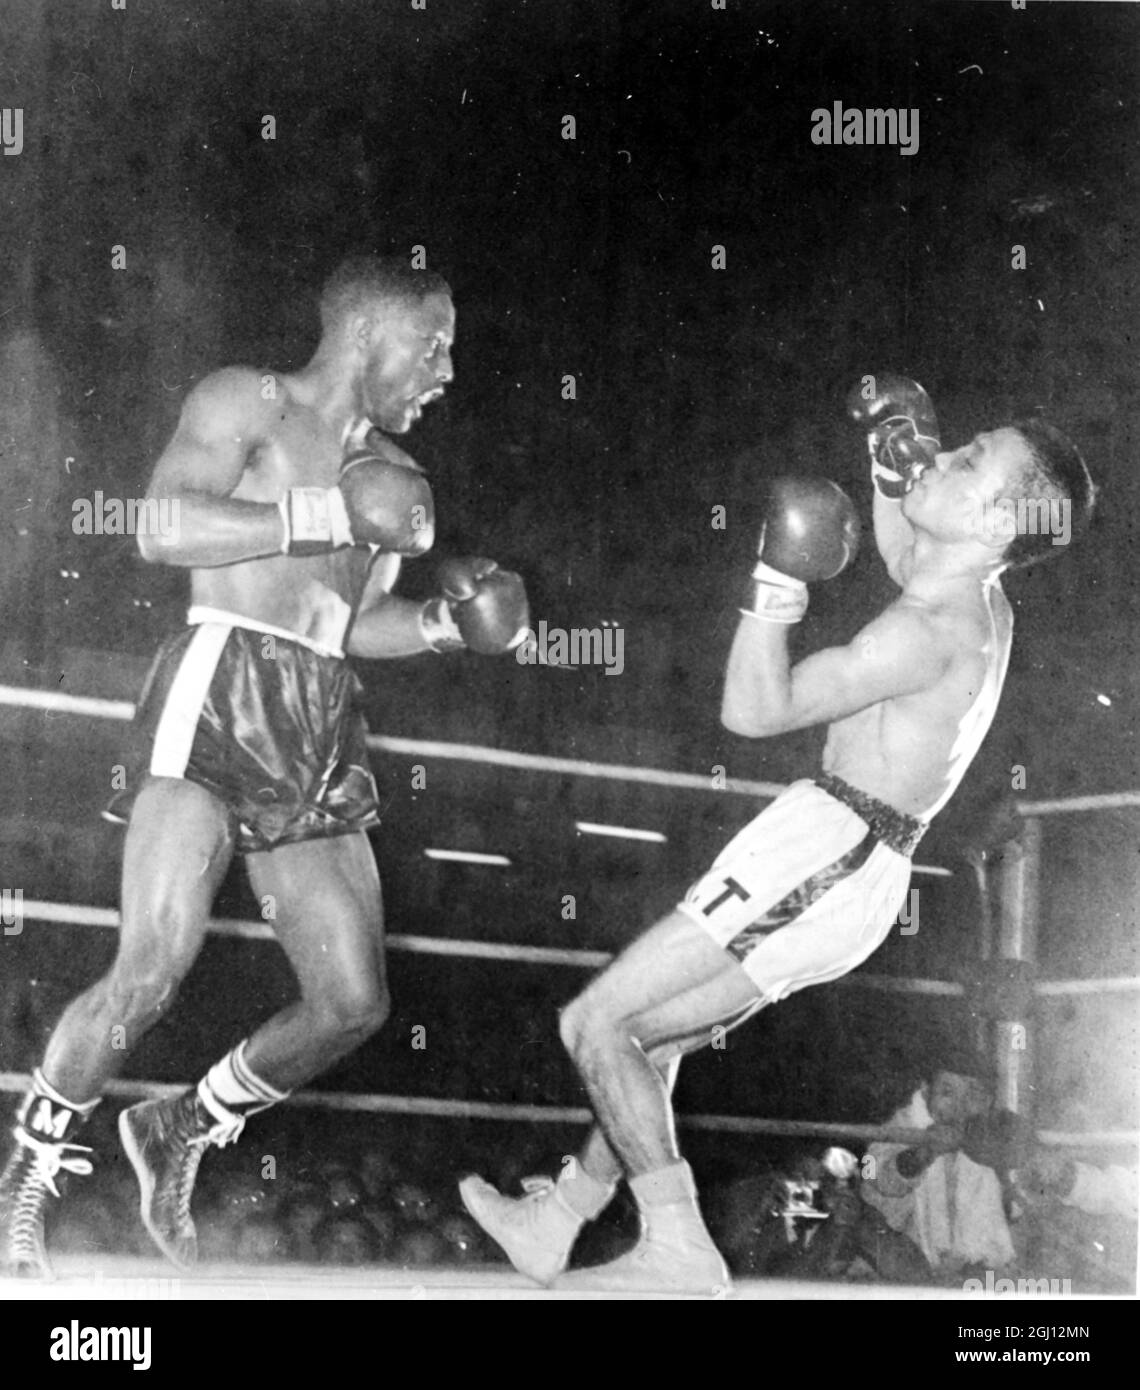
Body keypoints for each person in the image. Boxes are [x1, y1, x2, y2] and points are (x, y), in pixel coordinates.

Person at [460, 376, 1095, 1292]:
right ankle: (557, 1220)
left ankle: (678, 1249)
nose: (942, 452)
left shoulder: (928, 629)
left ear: (999, 520)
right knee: (648, 1040)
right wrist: (890, 469)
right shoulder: (977, 598)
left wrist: (773, 582)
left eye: (965, 460)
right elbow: (912, 553)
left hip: (827, 854)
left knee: (593, 1021)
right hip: (847, 856)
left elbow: (753, 711)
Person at [0, 255, 529, 1278]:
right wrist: (318, 514)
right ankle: (25, 1179)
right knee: (153, 960)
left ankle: (182, 1126)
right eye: (435, 344)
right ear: (369, 331)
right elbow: (160, 527)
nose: (448, 370)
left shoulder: (401, 480)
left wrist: (439, 625)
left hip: (318, 709)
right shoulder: (247, 401)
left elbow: (348, 619)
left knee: (351, 999)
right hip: (218, 676)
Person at [861, 1053, 1017, 1278]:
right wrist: (925, 1152)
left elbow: (1022, 1209)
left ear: (987, 1101)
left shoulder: (998, 1135)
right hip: (902, 1274)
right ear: (925, 1091)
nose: (959, 1107)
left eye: (973, 1094)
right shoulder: (897, 1127)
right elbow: (871, 1175)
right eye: (947, 1093)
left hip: (976, 1277)